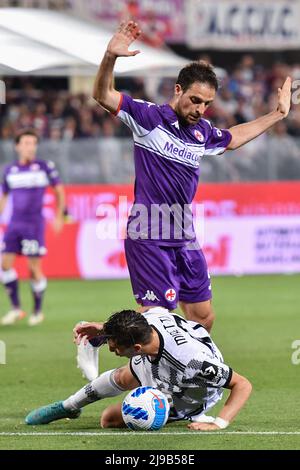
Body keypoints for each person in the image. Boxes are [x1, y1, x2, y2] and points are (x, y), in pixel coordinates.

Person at [92, 21, 291, 332]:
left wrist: (277, 114)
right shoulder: (148, 118)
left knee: (202, 317)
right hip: (148, 230)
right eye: (195, 100)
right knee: (158, 323)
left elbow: (234, 137)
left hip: (183, 231)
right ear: (178, 90)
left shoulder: (201, 132)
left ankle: (189, 375)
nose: (201, 108)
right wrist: (110, 57)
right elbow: (103, 94)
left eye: (207, 104)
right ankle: (118, 351)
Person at [25, 308, 252, 430]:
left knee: (109, 419)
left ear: (135, 347)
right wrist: (102, 329)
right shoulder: (149, 319)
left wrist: (219, 423)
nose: (112, 349)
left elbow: (242, 384)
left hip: (188, 393)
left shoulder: (192, 364)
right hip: (160, 358)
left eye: (115, 348)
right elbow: (133, 321)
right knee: (124, 376)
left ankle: (195, 412)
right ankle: (68, 406)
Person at [0, 130, 65, 326]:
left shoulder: (44, 167)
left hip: (33, 224)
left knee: (33, 269)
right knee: (5, 265)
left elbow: (60, 192)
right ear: (17, 146)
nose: (30, 147)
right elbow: (3, 196)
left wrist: (59, 215)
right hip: (14, 223)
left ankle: (37, 311)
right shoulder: (10, 170)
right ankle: (16, 309)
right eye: (26, 143)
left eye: (33, 143)